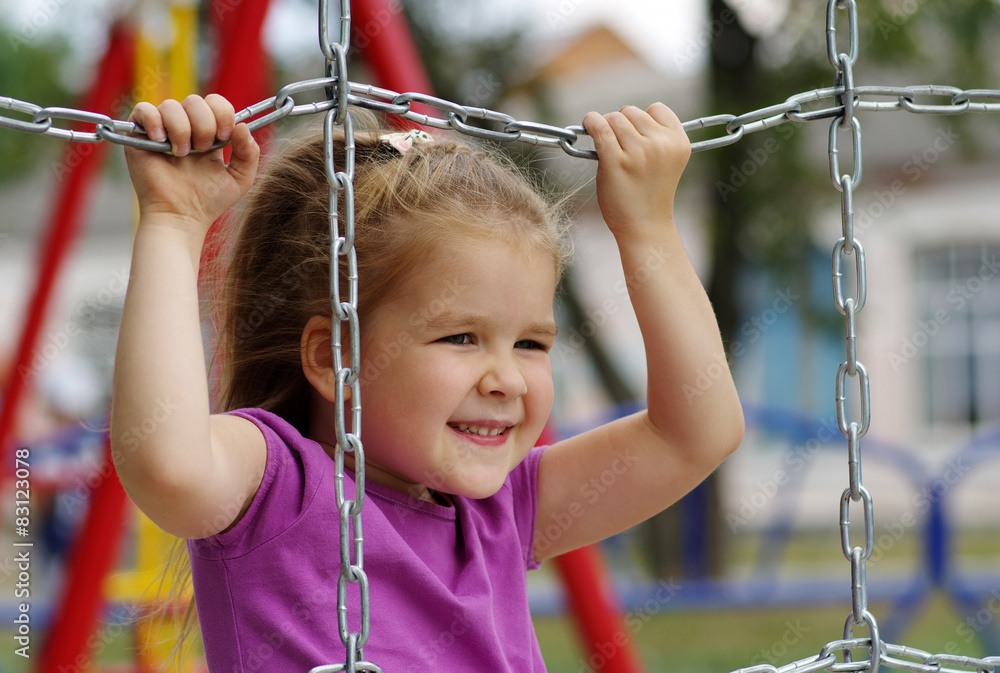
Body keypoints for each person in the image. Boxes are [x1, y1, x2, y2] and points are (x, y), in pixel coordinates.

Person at [111, 93, 743, 672]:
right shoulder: (277, 487)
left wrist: (648, 228)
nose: (506, 380)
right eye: (460, 337)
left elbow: (695, 434)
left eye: (531, 343)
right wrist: (173, 223)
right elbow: (168, 462)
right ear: (336, 358)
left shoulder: (500, 512)